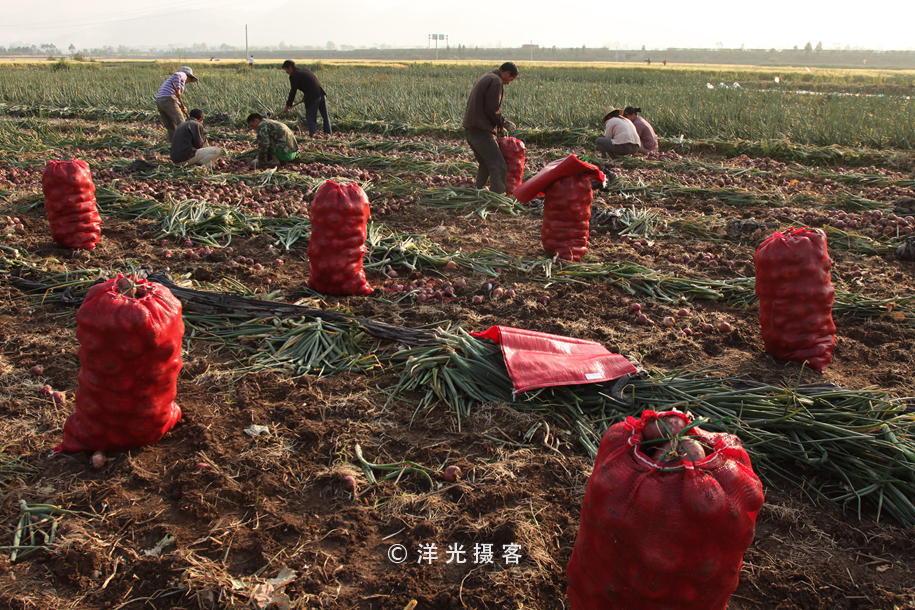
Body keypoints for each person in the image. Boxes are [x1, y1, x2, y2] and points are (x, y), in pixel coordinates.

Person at [461, 62, 519, 195]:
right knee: (499, 166)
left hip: (471, 128)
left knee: (485, 165)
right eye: (510, 79)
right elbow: (492, 109)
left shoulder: (486, 76)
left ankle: (477, 193)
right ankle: (497, 199)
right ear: (507, 73)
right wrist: (504, 123)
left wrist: (498, 127)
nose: (508, 83)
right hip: (481, 131)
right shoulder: (496, 81)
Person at [281, 60, 332, 137]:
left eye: (286, 69)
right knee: (325, 116)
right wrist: (305, 97)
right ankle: (328, 134)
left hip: (313, 96)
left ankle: (313, 136)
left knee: (310, 117)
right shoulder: (304, 70)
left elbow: (293, 91)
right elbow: (310, 83)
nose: (286, 72)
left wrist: (288, 105)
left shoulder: (294, 75)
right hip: (321, 93)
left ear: (290, 67)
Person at [155, 66, 197, 143]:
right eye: (190, 79)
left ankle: (173, 144)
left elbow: (171, 96)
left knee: (171, 126)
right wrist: (178, 89)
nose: (189, 81)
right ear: (189, 76)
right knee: (181, 123)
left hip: (160, 101)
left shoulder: (172, 82)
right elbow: (177, 75)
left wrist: (181, 106)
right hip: (167, 99)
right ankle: (187, 143)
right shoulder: (183, 75)